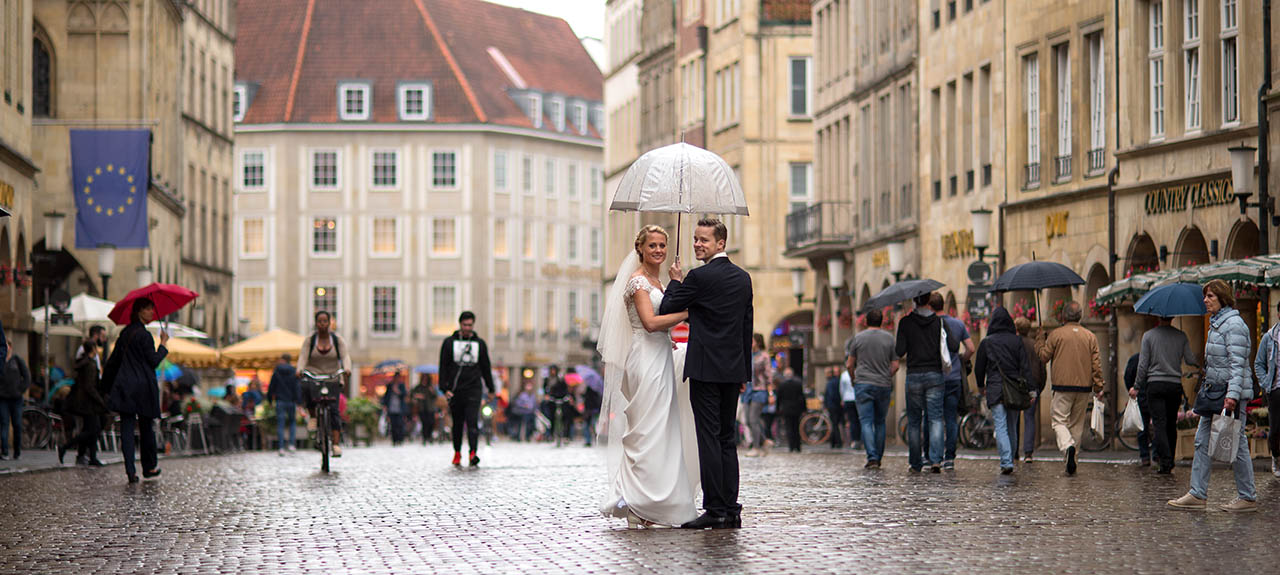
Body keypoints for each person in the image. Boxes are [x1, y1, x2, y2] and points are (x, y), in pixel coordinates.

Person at [598, 225, 698, 528]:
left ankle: (656, 499)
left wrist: (677, 283)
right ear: (640, 248)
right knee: (646, 430)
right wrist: (686, 314)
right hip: (645, 359)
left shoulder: (659, 280)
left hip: (662, 357)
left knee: (662, 430)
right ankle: (636, 500)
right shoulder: (638, 281)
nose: (658, 250)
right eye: (652, 245)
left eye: (662, 246)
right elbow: (651, 323)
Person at [659, 218, 754, 529]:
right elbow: (746, 328)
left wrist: (675, 279)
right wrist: (744, 373)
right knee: (728, 439)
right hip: (732, 370)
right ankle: (731, 508)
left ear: (720, 243)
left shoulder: (698, 277)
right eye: (696, 239)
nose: (698, 244)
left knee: (709, 439)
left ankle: (715, 509)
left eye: (704, 240)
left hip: (705, 369)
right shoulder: (743, 278)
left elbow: (668, 307)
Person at [1169, 280, 1257, 512]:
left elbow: (1238, 364)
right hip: (1214, 392)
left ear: (1222, 298)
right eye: (1205, 296)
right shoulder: (1217, 323)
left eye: (1210, 296)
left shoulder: (1234, 325)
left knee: (1236, 445)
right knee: (1201, 440)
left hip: (1228, 394)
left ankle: (1247, 497)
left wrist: (1233, 395)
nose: (1206, 300)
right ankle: (1198, 493)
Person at [102, 298, 169, 483]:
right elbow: (154, 360)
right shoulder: (145, 336)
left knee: (127, 428)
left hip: (125, 386)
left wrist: (105, 386)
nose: (152, 313)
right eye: (148, 309)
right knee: (147, 428)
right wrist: (163, 343)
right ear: (139, 311)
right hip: (143, 387)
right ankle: (149, 467)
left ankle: (130, 471)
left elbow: (114, 361)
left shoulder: (125, 333)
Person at [1035, 300, 1104, 475]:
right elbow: (1096, 363)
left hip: (1062, 386)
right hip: (1084, 386)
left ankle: (1067, 447)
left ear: (1064, 316)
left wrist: (1040, 340)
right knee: (1076, 425)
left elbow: (1043, 357)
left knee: (1059, 420)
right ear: (1079, 316)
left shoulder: (1056, 335)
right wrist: (1098, 385)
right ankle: (1072, 460)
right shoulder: (1090, 336)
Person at [895, 292, 956, 473]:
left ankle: (915, 462)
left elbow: (899, 351)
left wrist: (906, 329)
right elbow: (952, 345)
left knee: (914, 420)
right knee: (935, 418)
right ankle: (936, 460)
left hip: (914, 374)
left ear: (914, 301)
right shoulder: (938, 321)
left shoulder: (905, 322)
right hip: (935, 375)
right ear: (929, 301)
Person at [1136, 317, 1198, 475]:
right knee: (1171, 423)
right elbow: (1190, 359)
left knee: (1159, 423)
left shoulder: (1148, 336)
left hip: (1155, 384)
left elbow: (1143, 364)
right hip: (1174, 385)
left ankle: (1166, 460)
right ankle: (1169, 460)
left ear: (1157, 316)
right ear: (1172, 318)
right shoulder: (1181, 335)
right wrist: (1200, 366)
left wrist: (1137, 385)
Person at [974, 307, 1032, 475]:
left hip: (995, 388)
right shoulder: (1017, 341)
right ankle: (1011, 458)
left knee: (1000, 425)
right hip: (1014, 388)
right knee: (1012, 426)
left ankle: (1006, 461)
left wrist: (980, 385)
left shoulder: (987, 342)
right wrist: (1031, 390)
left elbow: (980, 367)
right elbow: (1025, 367)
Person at [439, 311, 495, 467]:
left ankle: (473, 453)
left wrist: (491, 388)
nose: (467, 328)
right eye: (465, 325)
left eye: (470, 325)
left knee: (472, 422)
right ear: (460, 324)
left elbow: (486, 368)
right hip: (456, 390)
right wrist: (444, 388)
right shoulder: (449, 343)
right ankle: (457, 452)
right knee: (457, 424)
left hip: (473, 389)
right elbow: (443, 366)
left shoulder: (480, 344)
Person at [297, 310, 352, 457]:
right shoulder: (310, 340)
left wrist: (347, 368)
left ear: (329, 323)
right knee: (306, 388)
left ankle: (335, 444)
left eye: (325, 321)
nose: (322, 324)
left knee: (334, 410)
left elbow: (345, 355)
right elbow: (303, 356)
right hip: (314, 375)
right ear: (316, 323)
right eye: (320, 321)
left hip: (332, 376)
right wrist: (300, 369)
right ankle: (314, 417)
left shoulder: (337, 340)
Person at [848, 308, 898, 469]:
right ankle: (879, 456)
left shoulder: (858, 338)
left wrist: (853, 378)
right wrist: (886, 375)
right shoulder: (890, 338)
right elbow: (896, 365)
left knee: (866, 421)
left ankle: (872, 457)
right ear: (882, 321)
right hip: (883, 384)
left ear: (866, 321)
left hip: (863, 383)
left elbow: (849, 363)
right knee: (880, 422)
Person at [931, 294, 973, 470]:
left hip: (935, 377)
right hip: (954, 376)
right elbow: (971, 348)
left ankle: (935, 457)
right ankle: (950, 458)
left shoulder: (928, 325)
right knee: (951, 418)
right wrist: (961, 359)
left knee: (935, 419)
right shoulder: (957, 323)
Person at [61, 341, 108, 466]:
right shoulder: (90, 364)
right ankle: (66, 447)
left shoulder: (84, 362)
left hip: (84, 401)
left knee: (90, 429)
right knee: (93, 430)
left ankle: (90, 457)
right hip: (89, 403)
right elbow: (89, 386)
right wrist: (100, 400)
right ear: (93, 349)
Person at [1012, 317, 1046, 462]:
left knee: (1014, 419)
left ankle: (1014, 451)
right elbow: (1042, 368)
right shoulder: (1034, 345)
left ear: (1017, 330)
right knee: (1029, 418)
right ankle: (1028, 453)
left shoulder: (1013, 344)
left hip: (1015, 386)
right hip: (1033, 386)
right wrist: (1040, 387)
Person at [1254, 300, 1280, 478]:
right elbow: (1259, 363)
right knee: (1276, 428)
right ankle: (1276, 456)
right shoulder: (1269, 337)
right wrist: (1265, 384)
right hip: (1276, 389)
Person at [743, 333, 772, 457]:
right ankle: (764, 441)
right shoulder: (747, 355)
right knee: (748, 421)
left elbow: (768, 376)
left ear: (758, 342)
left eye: (752, 341)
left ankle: (756, 447)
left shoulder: (764, 356)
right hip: (747, 390)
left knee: (753, 419)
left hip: (759, 390)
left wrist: (771, 393)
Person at [1123, 351, 1154, 466]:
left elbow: (1127, 376)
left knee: (1142, 427)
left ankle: (1145, 456)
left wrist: (1132, 389)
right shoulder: (1155, 358)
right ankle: (1156, 454)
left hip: (1140, 395)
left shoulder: (1136, 358)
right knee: (1158, 425)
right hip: (1152, 395)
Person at [268, 353, 301, 455]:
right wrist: (298, 401)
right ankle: (291, 445)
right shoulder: (294, 371)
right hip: (291, 401)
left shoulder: (277, 371)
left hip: (280, 400)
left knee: (280, 424)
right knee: (292, 423)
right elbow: (297, 387)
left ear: (282, 360)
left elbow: (271, 386)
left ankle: (281, 447)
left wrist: (270, 400)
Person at [0, 333, 21, 461]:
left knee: (17, 424)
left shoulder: (17, 360)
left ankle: (17, 450)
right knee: (4, 423)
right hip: (3, 398)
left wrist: (20, 389)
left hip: (16, 398)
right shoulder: (2, 361)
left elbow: (26, 376)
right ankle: (5, 451)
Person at [775, 367, 806, 453]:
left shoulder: (782, 385)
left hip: (786, 409)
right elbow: (802, 397)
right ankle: (798, 446)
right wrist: (804, 409)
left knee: (789, 428)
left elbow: (779, 398)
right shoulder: (798, 384)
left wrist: (777, 409)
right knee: (796, 427)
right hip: (796, 409)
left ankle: (791, 446)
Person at [382, 372, 409, 445]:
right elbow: (386, 397)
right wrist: (384, 405)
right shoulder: (390, 385)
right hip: (391, 408)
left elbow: (404, 395)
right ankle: (394, 439)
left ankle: (400, 439)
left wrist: (397, 391)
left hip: (400, 409)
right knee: (393, 424)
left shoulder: (402, 386)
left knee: (400, 424)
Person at [822, 367, 845, 449]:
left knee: (834, 424)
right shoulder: (837, 381)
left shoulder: (831, 382)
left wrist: (827, 404)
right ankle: (834, 441)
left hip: (833, 406)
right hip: (837, 405)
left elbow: (832, 395)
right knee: (836, 424)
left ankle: (837, 442)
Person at [411, 375, 438, 444]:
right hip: (422, 408)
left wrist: (432, 391)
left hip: (430, 408)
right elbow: (412, 394)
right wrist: (417, 396)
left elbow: (435, 396)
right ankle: (425, 438)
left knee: (431, 422)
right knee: (424, 423)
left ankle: (429, 436)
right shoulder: (418, 387)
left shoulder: (431, 387)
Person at [581, 375, 602, 447]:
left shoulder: (590, 390)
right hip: (593, 410)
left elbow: (589, 400)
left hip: (590, 410)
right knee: (591, 425)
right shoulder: (597, 390)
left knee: (588, 425)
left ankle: (589, 440)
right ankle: (591, 439)